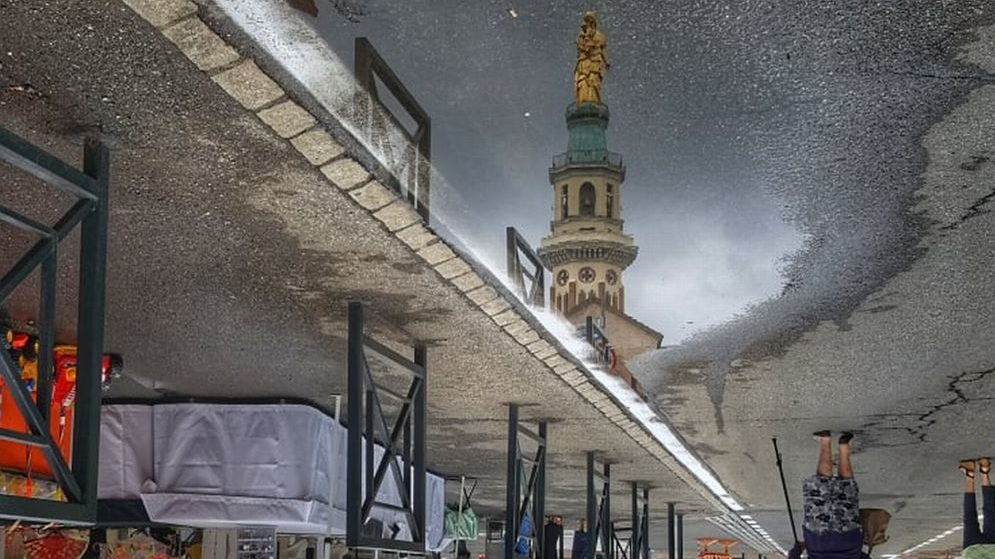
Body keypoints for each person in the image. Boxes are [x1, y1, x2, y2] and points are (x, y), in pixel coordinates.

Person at [789, 431, 870, 559]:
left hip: (849, 538)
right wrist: (798, 548)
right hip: (819, 540)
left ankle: (844, 447)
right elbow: (793, 556)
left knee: (846, 490)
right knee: (821, 486)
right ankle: (825, 441)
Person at [959, 457, 995, 558]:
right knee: (969, 516)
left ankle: (984, 470)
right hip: (972, 551)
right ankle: (969, 473)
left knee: (990, 512)